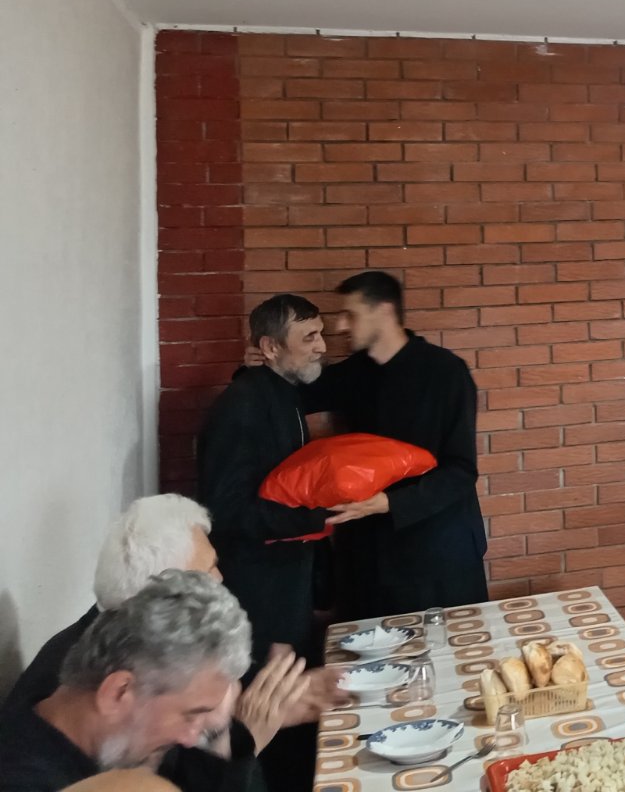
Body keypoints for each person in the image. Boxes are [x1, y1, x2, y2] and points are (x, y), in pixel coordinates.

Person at [0, 571, 296, 792]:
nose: (190, 739)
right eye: (190, 715)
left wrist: (218, 736)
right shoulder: (23, 779)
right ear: (118, 692)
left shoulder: (126, 730)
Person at [312, 270, 488, 617]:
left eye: (351, 314)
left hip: (439, 550)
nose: (341, 326)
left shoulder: (446, 372)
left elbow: (461, 470)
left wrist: (391, 503)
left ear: (385, 311)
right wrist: (259, 368)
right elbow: (294, 395)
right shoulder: (354, 373)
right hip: (372, 555)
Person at [197, 296, 332, 667]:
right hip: (258, 591)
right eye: (309, 337)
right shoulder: (242, 406)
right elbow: (225, 510)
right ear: (271, 347)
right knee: (268, 689)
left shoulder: (283, 391)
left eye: (320, 334)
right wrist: (318, 516)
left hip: (286, 582)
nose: (322, 346)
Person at [3, 496, 221, 717]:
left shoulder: (111, 640)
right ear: (162, 596)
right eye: (210, 570)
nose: (219, 579)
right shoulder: (99, 684)